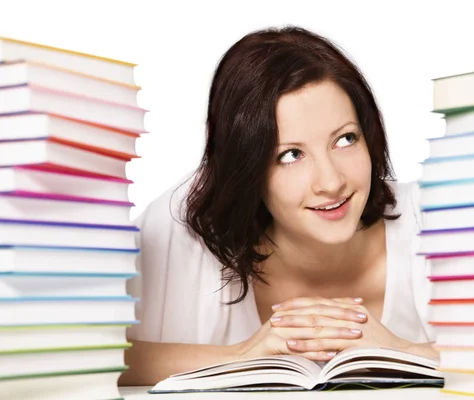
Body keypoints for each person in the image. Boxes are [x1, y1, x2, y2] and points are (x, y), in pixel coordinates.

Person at [119, 25, 436, 386]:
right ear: (247, 169)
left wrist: (401, 352)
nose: (331, 182)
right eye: (290, 155)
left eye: (345, 139)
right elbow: (79, 354)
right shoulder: (182, 226)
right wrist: (241, 358)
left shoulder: (435, 221)